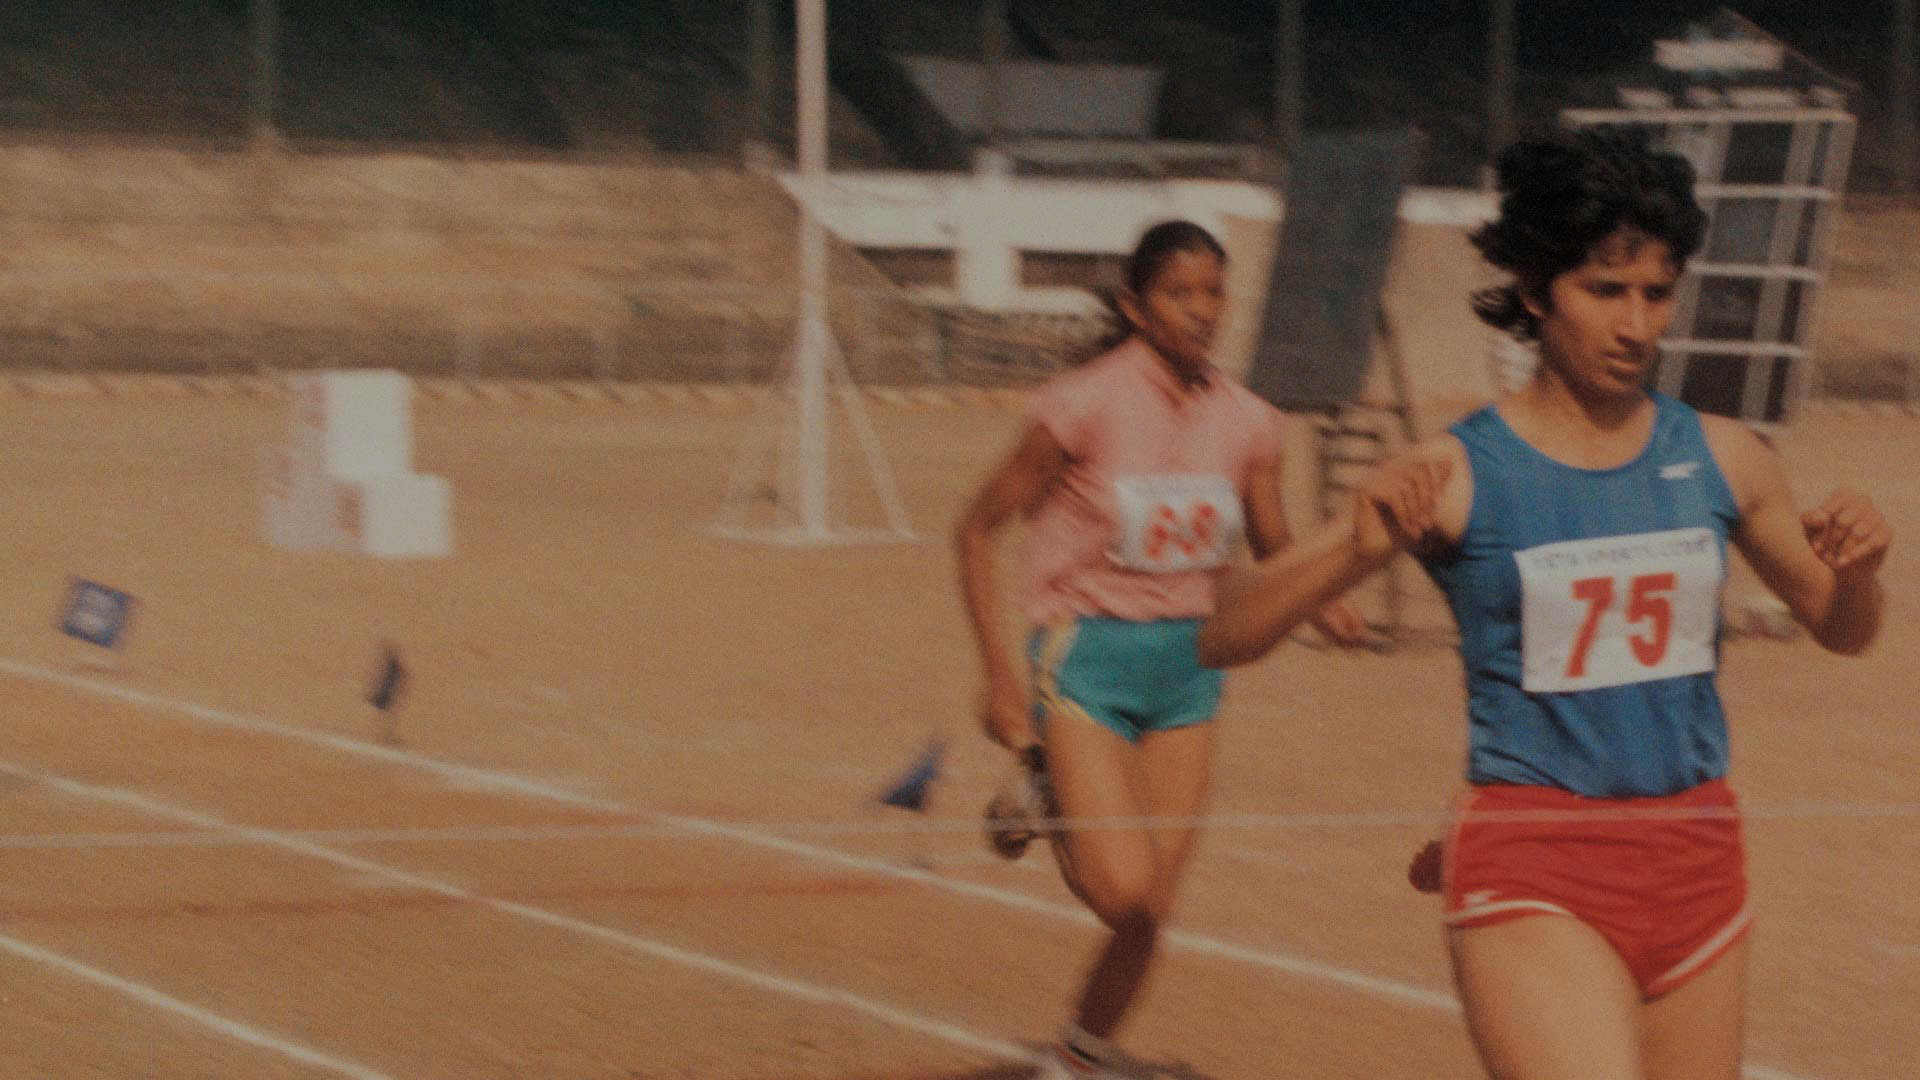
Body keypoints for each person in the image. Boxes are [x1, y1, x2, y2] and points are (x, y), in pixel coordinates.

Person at [1200, 128, 1892, 1080]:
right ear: (1534, 291)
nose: (1637, 326)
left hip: (1697, 859)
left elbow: (1846, 631)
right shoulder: (1455, 471)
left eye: (1655, 293)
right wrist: (1353, 546)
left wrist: (1857, 573)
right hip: (1538, 862)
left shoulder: (1726, 457)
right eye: (1604, 291)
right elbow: (1225, 634)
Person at [954, 219, 1376, 1078]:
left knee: (1153, 907)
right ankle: (1045, 775)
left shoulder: (1249, 421)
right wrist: (999, 678)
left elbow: (1272, 546)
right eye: (1180, 293)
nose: (1203, 310)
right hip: (1085, 659)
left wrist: (1324, 593)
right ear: (1136, 307)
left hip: (1191, 672)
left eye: (1214, 291)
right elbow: (975, 529)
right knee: (1121, 890)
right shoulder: (1082, 404)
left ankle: (1080, 1055)